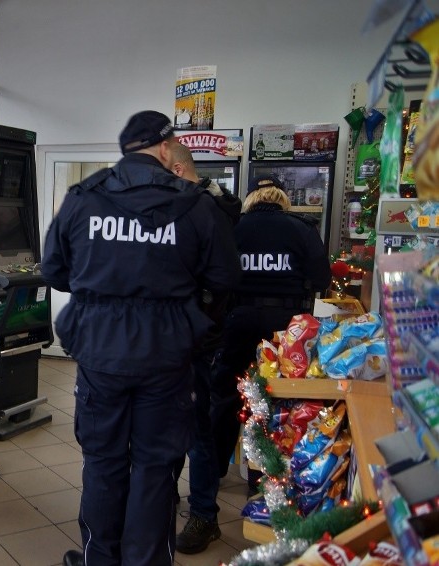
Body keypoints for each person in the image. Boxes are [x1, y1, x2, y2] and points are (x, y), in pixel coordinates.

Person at [42, 110, 241, 566]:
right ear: (167, 148)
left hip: (100, 355)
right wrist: (192, 320)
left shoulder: (83, 198)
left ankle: (100, 559)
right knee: (155, 468)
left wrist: (103, 288)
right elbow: (226, 278)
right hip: (168, 359)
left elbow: (54, 270)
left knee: (104, 462)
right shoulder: (194, 204)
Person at [207, 175, 332, 494]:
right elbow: (321, 278)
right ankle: (273, 476)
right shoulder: (302, 228)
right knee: (280, 397)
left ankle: (214, 467)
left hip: (239, 320)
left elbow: (215, 275)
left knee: (225, 395)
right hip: (287, 329)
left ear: (251, 200)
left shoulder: (234, 228)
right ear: (283, 200)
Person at [168, 143, 241, 555]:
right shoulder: (201, 205)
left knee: (197, 431)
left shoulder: (205, 212)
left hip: (193, 339)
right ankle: (169, 498)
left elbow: (221, 282)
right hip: (179, 336)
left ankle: (204, 516)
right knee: (174, 424)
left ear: (178, 169)